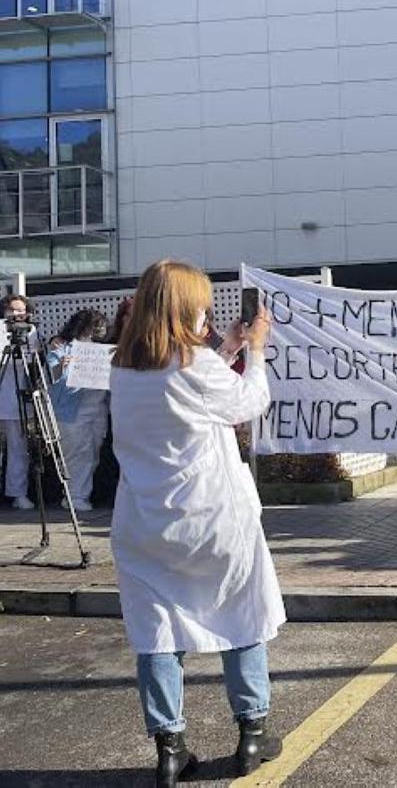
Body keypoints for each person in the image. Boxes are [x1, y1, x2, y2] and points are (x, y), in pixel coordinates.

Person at [109, 260, 283, 783]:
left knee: (157, 633)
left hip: (145, 522)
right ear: (188, 306)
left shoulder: (123, 366)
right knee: (241, 614)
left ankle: (169, 746)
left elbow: (188, 395)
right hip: (213, 518)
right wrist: (254, 349)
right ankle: (251, 730)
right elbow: (247, 401)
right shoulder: (195, 367)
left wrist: (224, 348)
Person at [46, 309, 110, 511]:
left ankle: (79, 493)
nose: (99, 329)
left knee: (92, 454)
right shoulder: (61, 348)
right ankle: (75, 497)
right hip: (71, 411)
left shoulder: (103, 350)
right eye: (95, 325)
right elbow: (50, 377)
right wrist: (62, 367)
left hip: (97, 409)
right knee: (76, 453)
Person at [0, 294, 40, 509]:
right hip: (3, 389)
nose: (17, 314)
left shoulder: (30, 330)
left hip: (18, 398)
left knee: (19, 448)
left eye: (21, 309)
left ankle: (18, 493)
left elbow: (31, 359)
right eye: (12, 310)